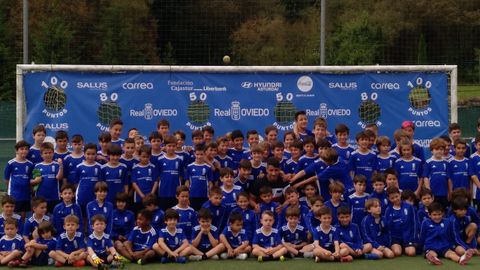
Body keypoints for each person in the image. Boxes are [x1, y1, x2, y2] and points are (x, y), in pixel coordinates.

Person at [4, 140, 34, 218]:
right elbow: (6, 180)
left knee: (22, 217)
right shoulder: (10, 163)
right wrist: (10, 191)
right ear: (16, 150)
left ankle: (21, 230)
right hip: (14, 196)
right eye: (22, 149)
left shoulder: (30, 164)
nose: (24, 151)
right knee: (12, 217)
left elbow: (31, 179)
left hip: (25, 195)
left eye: (26, 149)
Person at [384, 187, 417, 257]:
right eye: (392, 198)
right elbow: (387, 227)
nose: (395, 199)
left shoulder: (409, 207)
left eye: (396, 196)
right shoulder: (388, 210)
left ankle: (407, 247)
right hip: (395, 238)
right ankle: (400, 248)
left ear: (400, 194)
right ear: (389, 199)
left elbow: (414, 223)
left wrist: (414, 238)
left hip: (408, 237)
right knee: (397, 252)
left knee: (411, 253)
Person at [157, 136, 185, 210]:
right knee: (164, 213)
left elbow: (181, 176)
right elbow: (158, 176)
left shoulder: (180, 159)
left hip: (176, 193)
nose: (171, 148)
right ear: (165, 147)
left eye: (173, 146)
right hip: (163, 192)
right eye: (169, 146)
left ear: (176, 146)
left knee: (175, 212)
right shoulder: (160, 159)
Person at [185, 144, 214, 210]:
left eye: (201, 154)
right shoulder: (189, 167)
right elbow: (187, 182)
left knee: (203, 214)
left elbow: (210, 183)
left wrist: (210, 195)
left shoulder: (208, 167)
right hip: (192, 196)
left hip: (204, 196)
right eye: (197, 154)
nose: (199, 156)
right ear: (194, 154)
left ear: (204, 154)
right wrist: (187, 196)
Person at [423, 138, 449, 207]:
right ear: (432, 151)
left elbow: (449, 179)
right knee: (433, 211)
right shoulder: (428, 162)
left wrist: (449, 192)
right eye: (436, 149)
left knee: (443, 211)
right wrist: (429, 192)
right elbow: (426, 177)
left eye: (441, 149)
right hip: (433, 193)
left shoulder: (446, 162)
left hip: (444, 193)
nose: (439, 151)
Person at [131, 145, 158, 211]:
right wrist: (142, 195)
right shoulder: (135, 168)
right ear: (139, 156)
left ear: (150, 157)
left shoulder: (153, 167)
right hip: (139, 197)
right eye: (143, 157)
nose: (145, 159)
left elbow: (156, 182)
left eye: (147, 157)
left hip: (150, 198)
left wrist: (151, 194)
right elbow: (134, 183)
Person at [75, 143, 102, 209]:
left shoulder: (99, 167)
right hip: (81, 197)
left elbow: (101, 183)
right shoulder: (79, 167)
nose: (90, 156)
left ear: (96, 154)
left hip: (95, 198)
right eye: (88, 154)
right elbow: (76, 183)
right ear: (84, 154)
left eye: (93, 154)